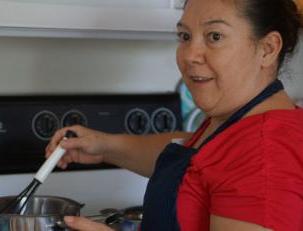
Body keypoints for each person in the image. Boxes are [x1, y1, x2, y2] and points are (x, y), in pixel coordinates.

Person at [45, 0, 303, 230]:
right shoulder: (238, 122)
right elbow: (196, 159)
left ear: (268, 49)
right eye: (185, 36)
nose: (190, 55)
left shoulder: (265, 156)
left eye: (214, 36)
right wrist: (105, 147)